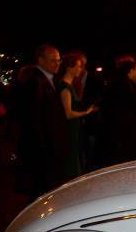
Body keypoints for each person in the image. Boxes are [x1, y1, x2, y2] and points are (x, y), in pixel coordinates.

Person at [13, 45, 69, 198]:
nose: (57, 64)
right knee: (42, 190)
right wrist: (45, 147)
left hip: (50, 148)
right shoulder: (34, 82)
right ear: (40, 60)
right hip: (43, 150)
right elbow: (34, 119)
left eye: (59, 60)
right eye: (53, 61)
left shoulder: (49, 79)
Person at [103, 60, 136, 164]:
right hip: (126, 128)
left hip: (121, 128)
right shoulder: (124, 84)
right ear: (130, 71)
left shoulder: (120, 83)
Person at [56, 53, 97, 179]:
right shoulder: (65, 87)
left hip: (74, 128)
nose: (81, 69)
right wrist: (87, 112)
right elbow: (68, 113)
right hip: (69, 129)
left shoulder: (69, 85)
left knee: (75, 157)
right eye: (78, 66)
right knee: (71, 159)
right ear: (69, 67)